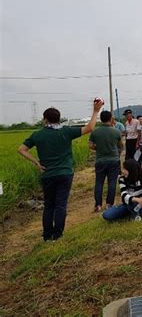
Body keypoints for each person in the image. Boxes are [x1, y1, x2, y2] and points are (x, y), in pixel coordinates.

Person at [18, 99, 103, 241]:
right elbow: (89, 128)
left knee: (49, 205)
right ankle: (57, 235)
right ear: (59, 119)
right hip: (65, 173)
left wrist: (36, 162)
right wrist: (95, 111)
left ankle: (46, 235)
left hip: (48, 174)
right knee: (60, 204)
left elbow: (21, 149)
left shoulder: (37, 135)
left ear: (45, 119)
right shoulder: (66, 132)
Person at [89, 110, 122, 212]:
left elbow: (90, 145)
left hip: (100, 161)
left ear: (101, 119)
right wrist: (117, 152)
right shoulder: (116, 131)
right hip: (113, 160)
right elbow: (121, 145)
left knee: (99, 182)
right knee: (112, 183)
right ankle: (109, 204)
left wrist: (98, 148)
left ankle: (98, 205)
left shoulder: (95, 132)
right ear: (111, 118)